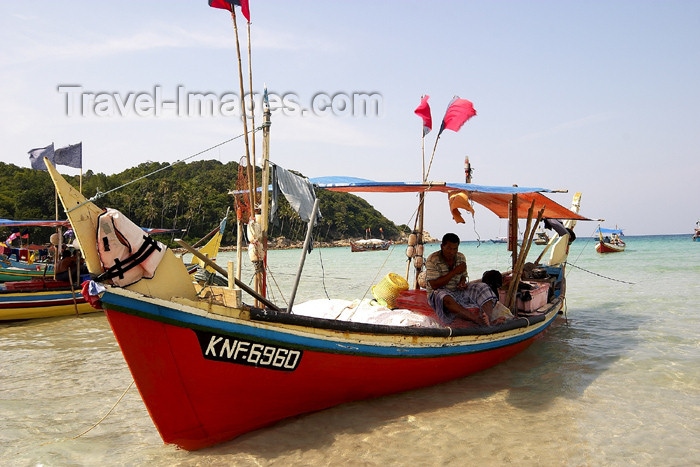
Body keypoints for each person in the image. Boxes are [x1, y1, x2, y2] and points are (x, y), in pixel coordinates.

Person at [425, 233, 505, 326]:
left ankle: (487, 320)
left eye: (455, 249)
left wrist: (462, 282)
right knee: (443, 296)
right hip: (438, 293)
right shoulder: (432, 260)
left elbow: (463, 275)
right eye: (449, 248)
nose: (452, 252)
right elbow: (434, 285)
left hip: (457, 291)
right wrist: (454, 271)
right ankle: (477, 320)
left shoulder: (460, 257)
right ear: (442, 246)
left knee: (483, 287)